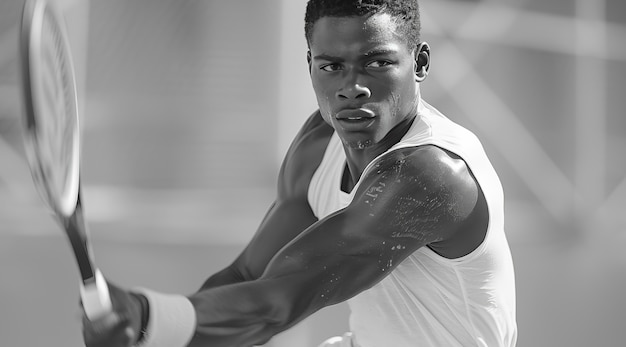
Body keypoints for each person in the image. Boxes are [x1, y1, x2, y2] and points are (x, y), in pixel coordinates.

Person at [82, 0, 517, 346]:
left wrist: (150, 318)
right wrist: (152, 333)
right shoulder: (319, 144)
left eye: (377, 63)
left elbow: (280, 302)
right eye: (332, 66)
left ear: (420, 62)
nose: (352, 86)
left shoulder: (431, 174)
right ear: (310, 64)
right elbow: (250, 277)